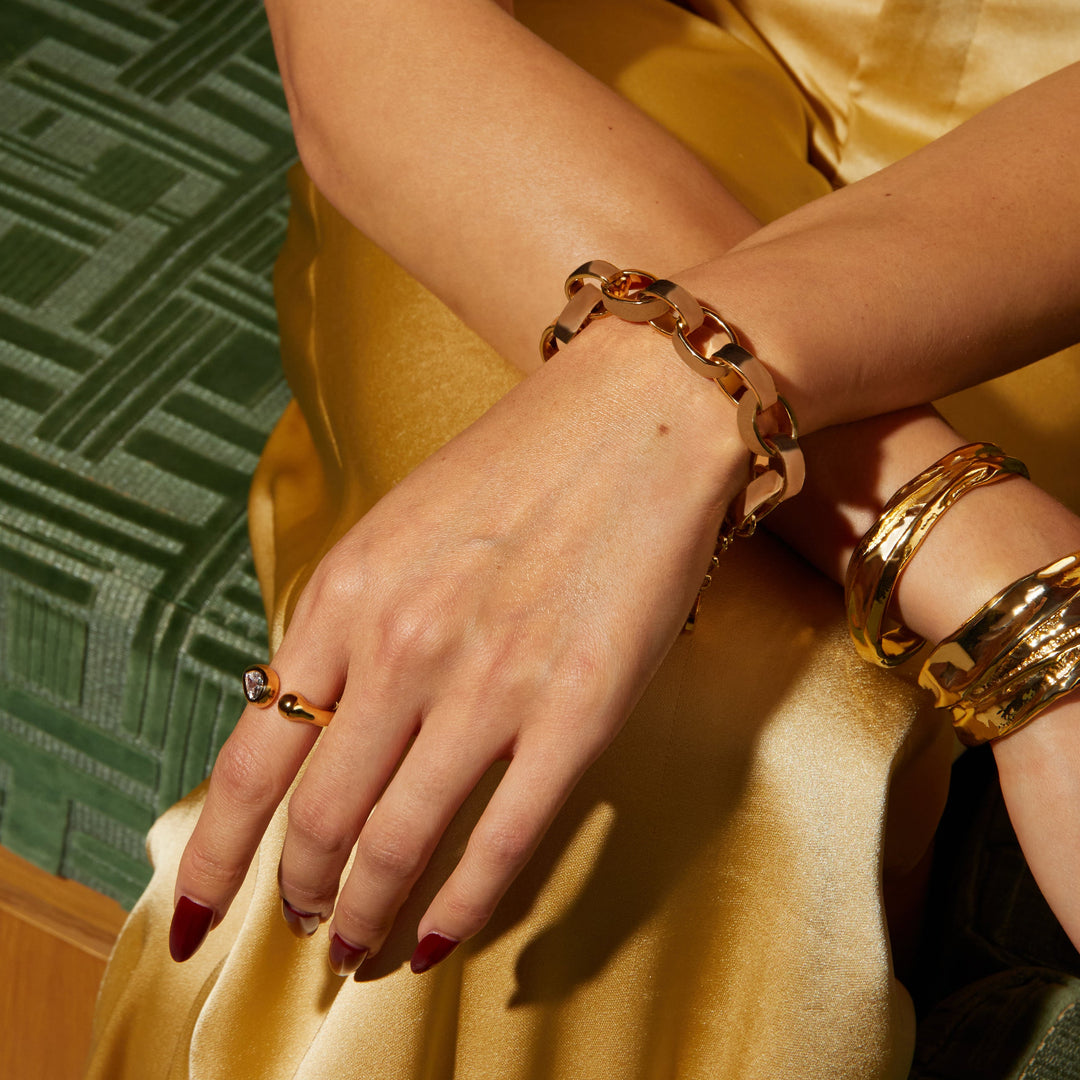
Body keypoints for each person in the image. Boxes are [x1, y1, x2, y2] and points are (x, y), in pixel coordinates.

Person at [86, 2, 1080, 1077]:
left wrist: (684, 385)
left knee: (678, 766)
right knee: (541, 763)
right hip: (535, 96)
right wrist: (1004, 577)